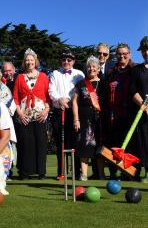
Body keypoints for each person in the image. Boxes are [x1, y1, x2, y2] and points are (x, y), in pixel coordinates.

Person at [13, 48, 50, 180]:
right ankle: (24, 172)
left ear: (35, 61)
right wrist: (20, 114)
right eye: (27, 60)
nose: (29, 62)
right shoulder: (19, 77)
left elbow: (48, 97)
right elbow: (15, 98)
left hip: (40, 116)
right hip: (24, 117)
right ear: (24, 62)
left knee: (41, 142)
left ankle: (41, 172)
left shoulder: (44, 77)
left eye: (31, 60)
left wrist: (46, 111)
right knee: (25, 143)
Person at [49, 49, 85, 180]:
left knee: (74, 142)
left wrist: (70, 102)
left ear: (73, 61)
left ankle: (76, 172)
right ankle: (61, 172)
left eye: (69, 60)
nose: (66, 62)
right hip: (59, 111)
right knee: (60, 143)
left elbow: (82, 91)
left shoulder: (79, 74)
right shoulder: (54, 73)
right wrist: (59, 99)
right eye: (64, 60)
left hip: (74, 112)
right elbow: (51, 91)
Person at [104, 43, 137, 179]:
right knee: (114, 145)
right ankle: (113, 172)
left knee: (130, 146)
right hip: (114, 115)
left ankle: (129, 173)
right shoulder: (112, 73)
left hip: (131, 115)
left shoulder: (135, 70)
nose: (122, 56)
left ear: (129, 54)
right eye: (119, 54)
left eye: (125, 54)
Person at [72, 56, 105, 181]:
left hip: (100, 120)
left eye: (94, 66)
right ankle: (84, 174)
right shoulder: (80, 84)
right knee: (84, 146)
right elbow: (74, 102)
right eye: (89, 66)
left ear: (98, 69)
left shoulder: (103, 83)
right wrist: (76, 119)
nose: (91, 68)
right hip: (84, 120)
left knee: (100, 147)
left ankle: (101, 174)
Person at [130, 36, 148, 182]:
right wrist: (143, 104)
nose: (146, 52)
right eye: (143, 50)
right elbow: (133, 90)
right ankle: (146, 171)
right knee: (144, 141)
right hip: (142, 112)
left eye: (147, 49)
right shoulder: (137, 70)